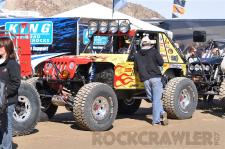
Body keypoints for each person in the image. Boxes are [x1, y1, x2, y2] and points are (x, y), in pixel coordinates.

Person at [134, 35, 168, 126]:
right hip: (156, 78)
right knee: (156, 100)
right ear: (149, 43)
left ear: (141, 44)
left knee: (153, 99)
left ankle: (161, 112)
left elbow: (136, 68)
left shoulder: (137, 55)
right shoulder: (154, 51)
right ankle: (156, 120)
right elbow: (161, 62)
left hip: (145, 79)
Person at [0, 37, 21, 149]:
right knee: (1, 126)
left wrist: (4, 93)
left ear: (7, 48)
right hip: (0, 101)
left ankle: (7, 147)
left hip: (8, 101)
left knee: (6, 125)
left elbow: (16, 82)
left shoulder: (12, 64)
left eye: (1, 46)